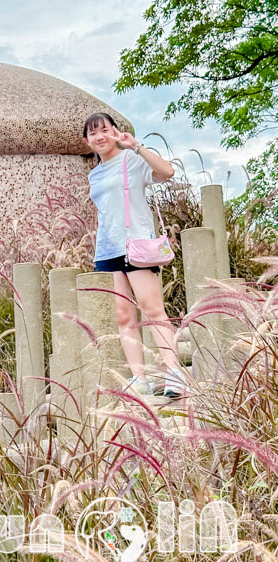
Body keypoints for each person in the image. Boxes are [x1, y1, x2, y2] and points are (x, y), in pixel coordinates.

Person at [83, 112, 187, 399]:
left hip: (137, 246)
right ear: (87, 140)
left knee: (153, 311)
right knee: (123, 317)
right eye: (93, 133)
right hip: (107, 250)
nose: (100, 137)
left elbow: (167, 173)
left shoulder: (132, 160)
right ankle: (138, 378)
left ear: (115, 132)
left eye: (104, 130)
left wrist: (136, 146)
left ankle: (174, 373)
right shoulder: (94, 173)